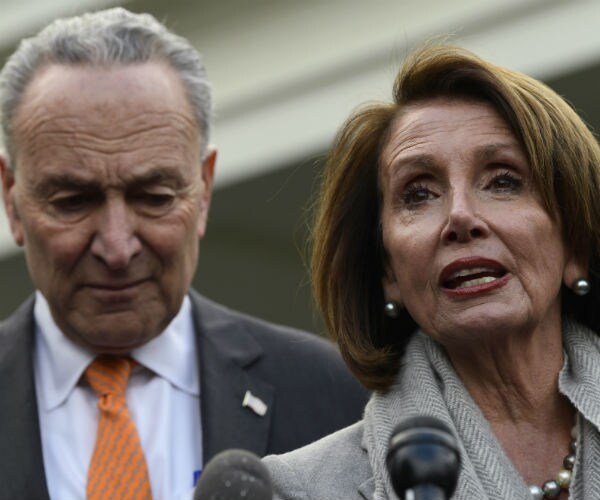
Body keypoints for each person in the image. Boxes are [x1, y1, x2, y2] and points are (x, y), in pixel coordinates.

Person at [0, 7, 368, 499]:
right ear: (11, 197)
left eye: (154, 198)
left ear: (205, 188)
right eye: (72, 202)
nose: (116, 246)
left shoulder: (331, 397)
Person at [263, 43, 600, 500]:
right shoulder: (298, 490)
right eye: (418, 194)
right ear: (389, 273)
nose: (460, 217)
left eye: (502, 181)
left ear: (575, 242)